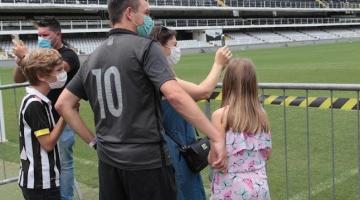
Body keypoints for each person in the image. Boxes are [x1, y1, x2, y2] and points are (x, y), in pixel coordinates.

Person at [55, 0, 227, 199]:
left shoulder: (93, 57)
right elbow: (175, 95)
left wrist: (94, 142)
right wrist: (215, 137)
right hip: (147, 163)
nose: (149, 18)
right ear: (130, 13)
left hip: (109, 163)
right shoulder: (146, 48)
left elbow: (63, 104)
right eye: (146, 12)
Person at [150, 26, 232, 200]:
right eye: (174, 44)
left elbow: (189, 99)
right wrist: (218, 64)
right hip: (175, 150)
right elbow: (203, 92)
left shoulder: (161, 75)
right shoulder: (162, 78)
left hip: (178, 148)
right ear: (161, 47)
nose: (177, 49)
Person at [12, 18, 80, 200]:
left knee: (63, 163)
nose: (41, 38)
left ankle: (64, 196)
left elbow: (49, 69)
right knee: (50, 159)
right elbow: (19, 78)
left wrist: (28, 57)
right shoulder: (34, 102)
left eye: (45, 34)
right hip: (47, 116)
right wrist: (23, 59)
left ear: (58, 34)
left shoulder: (68, 55)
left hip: (57, 116)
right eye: (39, 35)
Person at [209, 58, 272, 200]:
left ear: (227, 83)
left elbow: (215, 158)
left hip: (230, 189)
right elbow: (267, 154)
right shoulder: (262, 115)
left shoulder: (220, 116)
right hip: (260, 187)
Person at [17, 48, 66, 200]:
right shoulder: (35, 104)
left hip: (40, 181)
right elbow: (48, 144)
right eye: (58, 70)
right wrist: (66, 115)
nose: (63, 73)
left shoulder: (38, 101)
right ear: (41, 76)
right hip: (41, 183)